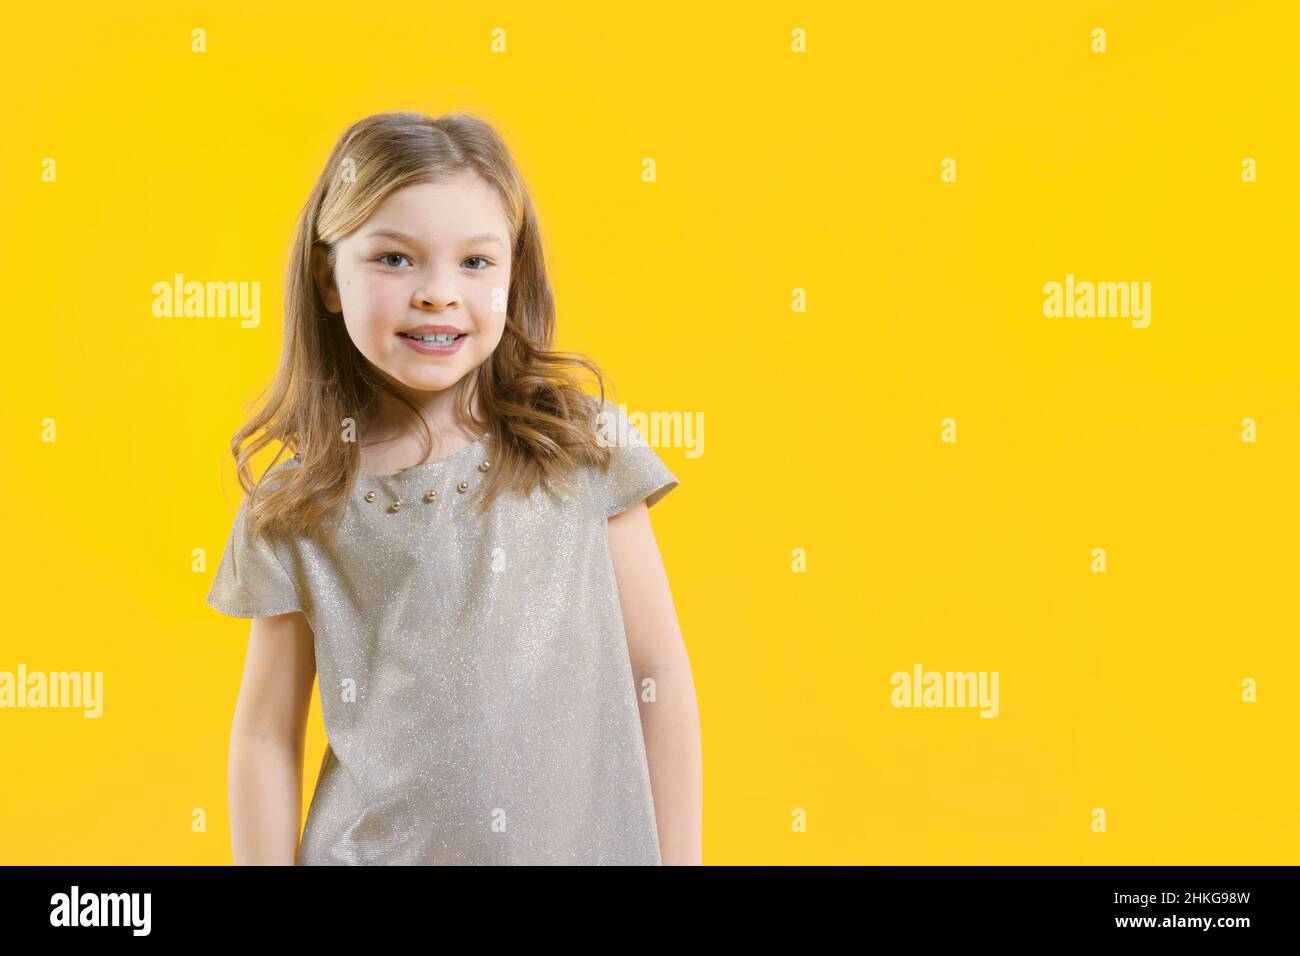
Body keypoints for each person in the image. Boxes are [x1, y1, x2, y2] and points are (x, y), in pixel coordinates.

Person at [206, 111, 701, 865]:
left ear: (514, 273)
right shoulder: (301, 503)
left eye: (475, 262)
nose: (438, 293)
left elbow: (656, 673)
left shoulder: (580, 446)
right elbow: (268, 732)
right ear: (327, 278)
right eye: (396, 259)